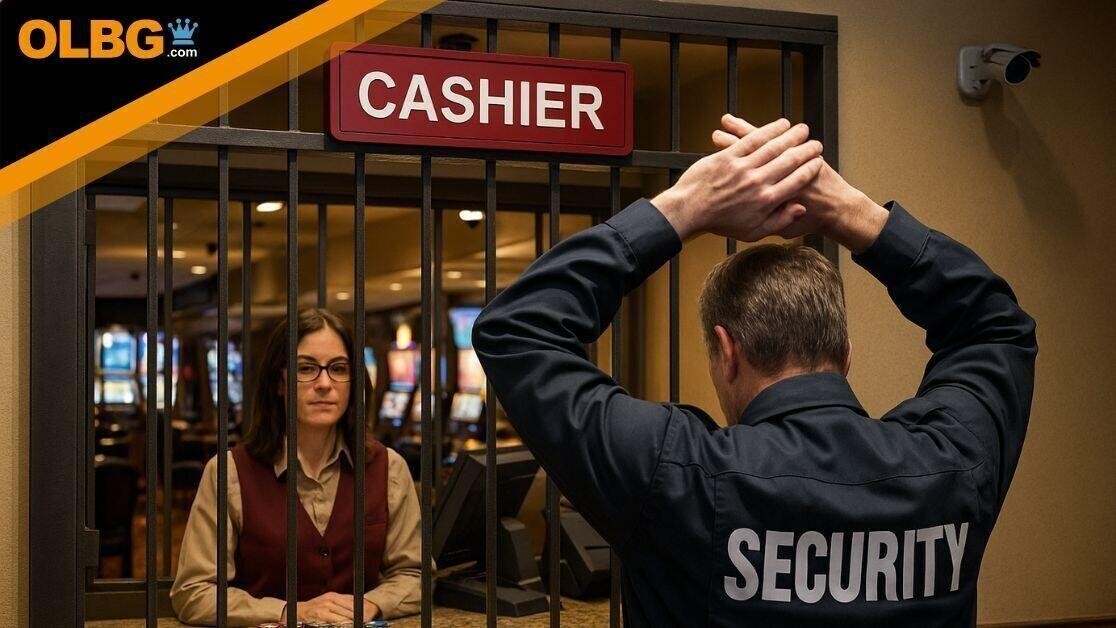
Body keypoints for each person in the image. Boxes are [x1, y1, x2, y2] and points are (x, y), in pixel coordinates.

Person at [472, 116, 1037, 626]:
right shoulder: (950, 464)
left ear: (727, 351)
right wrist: (855, 213)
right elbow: (994, 327)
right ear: (844, 354)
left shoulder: (672, 473)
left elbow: (515, 329)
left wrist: (687, 206)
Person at [172, 309, 425, 625]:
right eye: (306, 368)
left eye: (338, 368)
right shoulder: (229, 472)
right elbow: (193, 592)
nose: (324, 383)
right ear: (279, 382)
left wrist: (371, 604)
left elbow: (416, 574)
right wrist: (285, 611)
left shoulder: (390, 468)